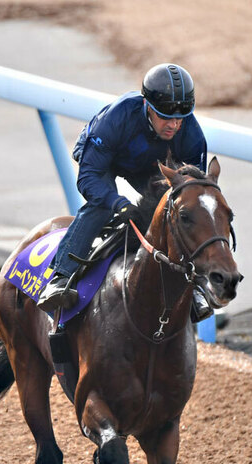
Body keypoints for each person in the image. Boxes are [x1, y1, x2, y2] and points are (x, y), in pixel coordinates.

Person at [36, 63, 213, 321]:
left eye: (180, 118)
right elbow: (89, 177)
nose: (174, 125)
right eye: (165, 116)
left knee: (174, 210)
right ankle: (61, 277)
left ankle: (194, 286)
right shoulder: (117, 118)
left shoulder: (192, 134)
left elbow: (192, 194)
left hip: (146, 164)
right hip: (104, 160)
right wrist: (117, 202)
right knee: (102, 206)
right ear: (147, 106)